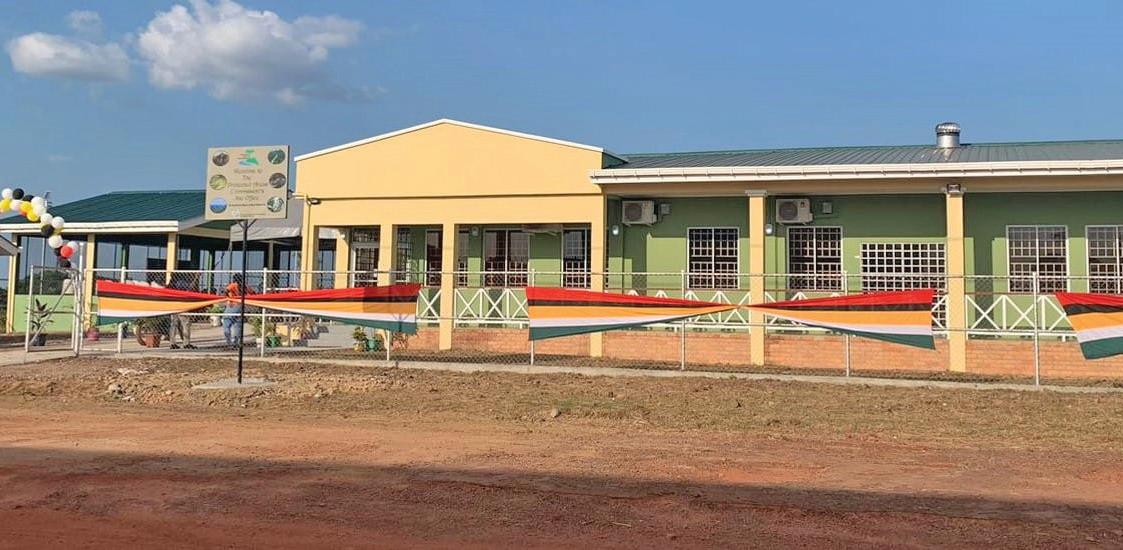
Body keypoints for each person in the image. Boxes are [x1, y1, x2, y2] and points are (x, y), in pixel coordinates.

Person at [169, 274, 197, 350]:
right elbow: (189, 289)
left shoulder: (171, 285)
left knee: (174, 325)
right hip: (182, 305)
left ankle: (172, 343)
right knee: (185, 324)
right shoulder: (181, 282)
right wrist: (196, 278)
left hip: (174, 305)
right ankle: (186, 343)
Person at [222, 275, 246, 347]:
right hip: (240, 306)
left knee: (226, 323)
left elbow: (226, 291)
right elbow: (252, 292)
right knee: (237, 325)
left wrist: (229, 298)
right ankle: (236, 342)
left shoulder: (233, 285)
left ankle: (229, 343)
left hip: (232, 305)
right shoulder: (244, 286)